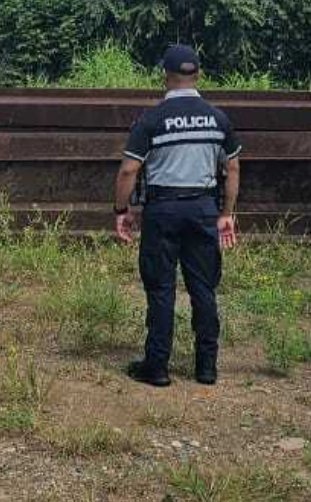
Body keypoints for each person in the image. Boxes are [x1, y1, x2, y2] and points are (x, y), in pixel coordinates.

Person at [112, 44, 241, 387]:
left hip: (163, 210)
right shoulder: (218, 118)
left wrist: (122, 210)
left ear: (165, 77)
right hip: (203, 209)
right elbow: (232, 167)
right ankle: (206, 367)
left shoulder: (151, 120)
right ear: (198, 74)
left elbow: (128, 171)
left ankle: (156, 367)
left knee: (161, 288)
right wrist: (226, 214)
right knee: (203, 287)